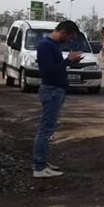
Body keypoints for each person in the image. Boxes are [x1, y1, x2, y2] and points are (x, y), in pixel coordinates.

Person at [32, 20, 83, 178]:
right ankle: (39, 167)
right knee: (45, 129)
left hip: (56, 91)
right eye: (69, 37)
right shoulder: (46, 46)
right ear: (63, 32)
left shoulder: (53, 46)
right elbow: (47, 71)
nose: (69, 41)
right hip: (51, 91)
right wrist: (67, 61)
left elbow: (56, 67)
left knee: (48, 128)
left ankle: (41, 162)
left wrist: (70, 63)